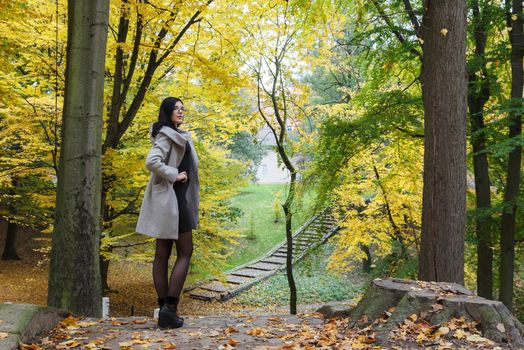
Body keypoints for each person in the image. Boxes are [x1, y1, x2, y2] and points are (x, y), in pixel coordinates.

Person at [135, 97, 200, 329]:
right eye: (176, 109)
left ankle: (164, 309)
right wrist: (175, 174)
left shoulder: (174, 133)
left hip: (171, 201)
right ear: (167, 112)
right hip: (173, 201)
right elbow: (151, 161)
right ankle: (169, 309)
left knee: (162, 253)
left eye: (183, 108)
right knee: (185, 251)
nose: (181, 111)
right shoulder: (167, 135)